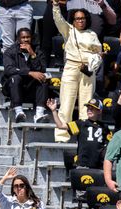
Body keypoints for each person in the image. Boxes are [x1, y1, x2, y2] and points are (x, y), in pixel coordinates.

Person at [52, 0, 102, 143]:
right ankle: (62, 136)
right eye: (77, 19)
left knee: (87, 104)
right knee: (66, 102)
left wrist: (93, 62)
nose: (80, 21)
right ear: (73, 21)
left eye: (83, 18)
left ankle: (85, 136)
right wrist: (56, 6)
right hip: (71, 67)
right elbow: (58, 20)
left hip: (87, 69)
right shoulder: (68, 30)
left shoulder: (92, 34)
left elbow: (99, 52)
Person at [2, 27, 49, 123]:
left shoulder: (38, 51)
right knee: (15, 77)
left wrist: (32, 54)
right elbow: (9, 69)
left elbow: (42, 69)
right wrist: (29, 72)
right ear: (18, 39)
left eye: (28, 37)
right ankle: (19, 113)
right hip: (14, 88)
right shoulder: (10, 51)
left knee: (42, 78)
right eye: (23, 37)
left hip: (31, 89)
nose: (26, 39)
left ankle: (39, 115)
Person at [47, 98, 108, 169]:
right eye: (88, 108)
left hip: (98, 165)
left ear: (99, 111)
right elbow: (60, 126)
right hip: (83, 164)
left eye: (92, 108)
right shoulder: (81, 123)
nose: (89, 110)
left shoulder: (104, 127)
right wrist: (54, 111)